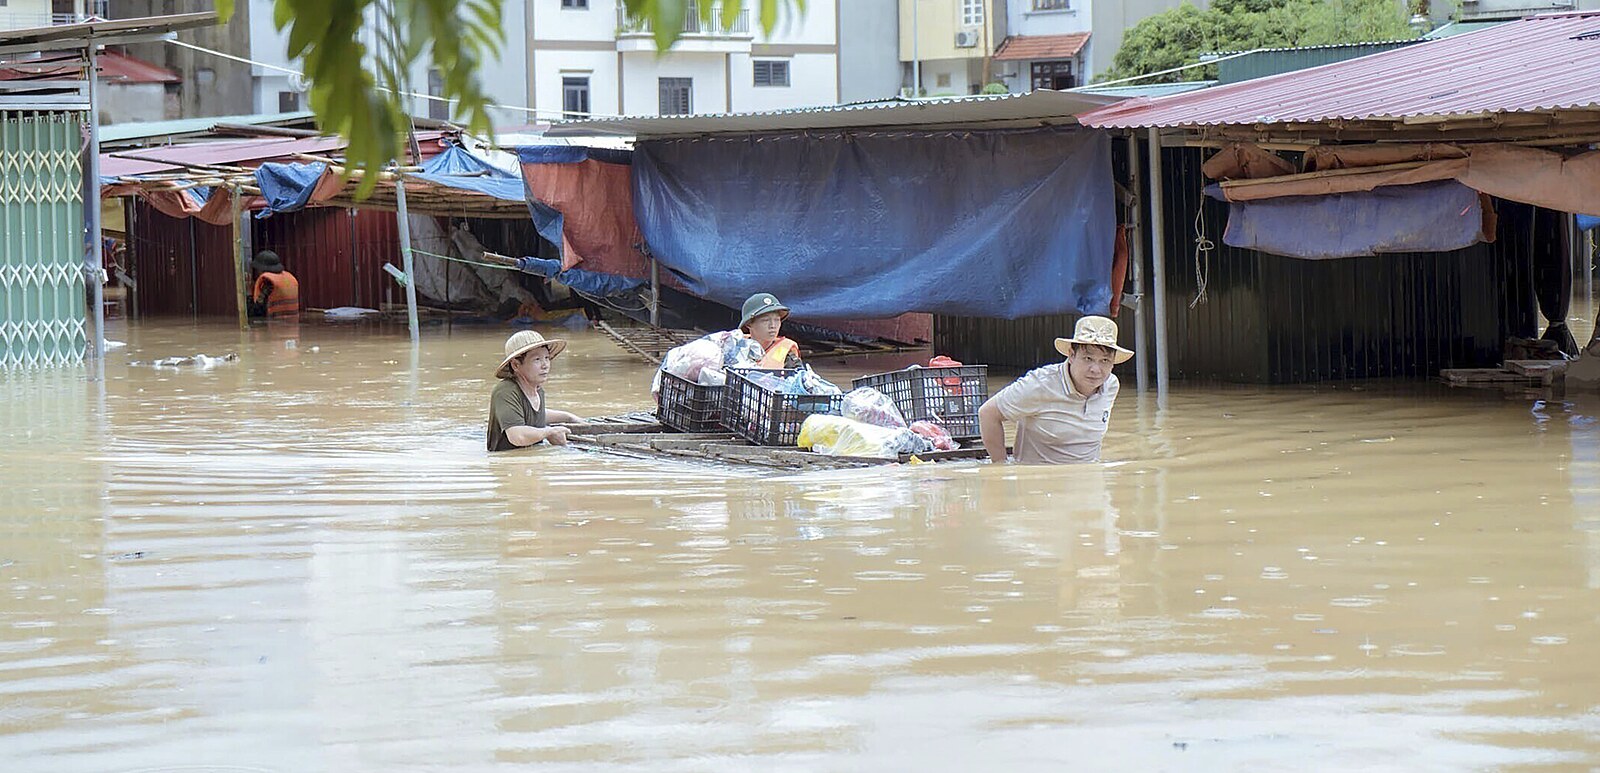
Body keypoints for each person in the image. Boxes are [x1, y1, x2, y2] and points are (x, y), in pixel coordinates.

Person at [977, 315, 1134, 464]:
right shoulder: (1040, 384)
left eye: (1105, 360)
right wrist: (1001, 468)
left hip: (1090, 477)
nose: (1095, 369)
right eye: (1088, 358)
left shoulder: (1111, 385)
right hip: (1042, 478)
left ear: (1113, 363)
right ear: (1071, 355)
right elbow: (988, 413)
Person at [488, 330, 584, 452]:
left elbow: (535, 415)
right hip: (508, 460)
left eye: (547, 358)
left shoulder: (537, 389)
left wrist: (568, 417)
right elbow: (517, 436)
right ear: (516, 365)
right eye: (537, 359)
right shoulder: (505, 391)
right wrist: (549, 432)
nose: (545, 365)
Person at [739, 292, 802, 369]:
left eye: (777, 320)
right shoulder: (735, 348)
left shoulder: (786, 353)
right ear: (749, 324)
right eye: (765, 320)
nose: (773, 325)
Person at [248, 250, 300, 319]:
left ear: (261, 269)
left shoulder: (268, 283)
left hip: (273, 322)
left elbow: (258, 309)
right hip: (292, 320)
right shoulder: (290, 278)